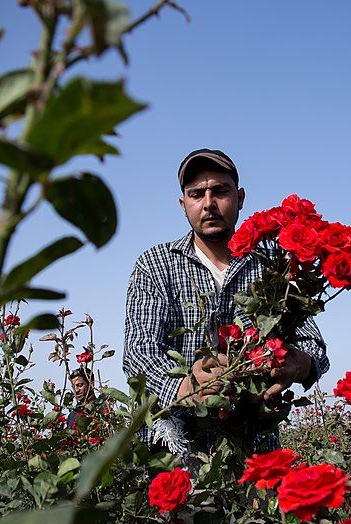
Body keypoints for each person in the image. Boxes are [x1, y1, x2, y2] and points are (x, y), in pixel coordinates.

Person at [122, 148, 328, 455]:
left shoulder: (272, 262)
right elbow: (139, 353)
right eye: (196, 194)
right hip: (176, 452)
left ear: (240, 198)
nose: (208, 203)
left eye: (220, 191)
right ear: (183, 204)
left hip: (255, 448)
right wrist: (184, 387)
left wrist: (299, 364)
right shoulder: (156, 265)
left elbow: (314, 344)